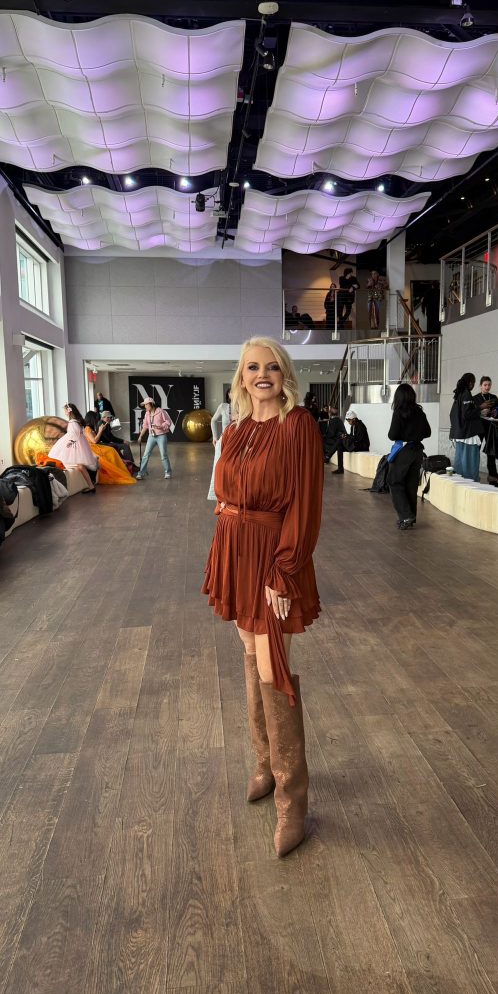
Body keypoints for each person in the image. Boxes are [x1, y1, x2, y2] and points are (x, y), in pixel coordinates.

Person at [202, 337, 323, 857]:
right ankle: (265, 765)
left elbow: (305, 503)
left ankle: (292, 801)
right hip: (234, 549)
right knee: (251, 656)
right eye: (252, 367)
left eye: (272, 366)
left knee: (274, 668)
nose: (262, 374)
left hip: (274, 555)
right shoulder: (235, 428)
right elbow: (225, 492)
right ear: (242, 375)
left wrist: (284, 570)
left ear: (284, 372)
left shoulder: (298, 426)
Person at [388, 383, 431, 530]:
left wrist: (404, 435)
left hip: (404, 451)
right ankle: (410, 517)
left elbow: (392, 434)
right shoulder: (420, 412)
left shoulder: (399, 412)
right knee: (411, 485)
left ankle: (406, 516)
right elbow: (428, 432)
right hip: (417, 451)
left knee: (394, 481)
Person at [48, 403, 98, 492]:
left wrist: (70, 443)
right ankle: (91, 486)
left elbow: (75, 434)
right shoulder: (77, 421)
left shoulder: (72, 422)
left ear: (69, 411)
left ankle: (91, 486)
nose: (64, 413)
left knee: (79, 465)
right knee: (79, 465)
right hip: (80, 444)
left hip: (75, 444)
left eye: (65, 411)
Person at [82, 412, 137, 485]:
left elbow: (102, 439)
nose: (97, 420)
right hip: (94, 448)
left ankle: (126, 465)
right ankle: (124, 466)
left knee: (112, 449)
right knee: (112, 449)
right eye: (108, 417)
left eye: (110, 417)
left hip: (97, 445)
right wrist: (100, 431)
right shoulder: (88, 428)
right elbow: (94, 441)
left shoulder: (94, 427)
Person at [449, 373, 483, 480]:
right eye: (474, 383)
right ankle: (471, 484)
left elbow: (453, 414)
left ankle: (460, 484)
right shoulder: (466, 394)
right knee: (470, 464)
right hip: (468, 434)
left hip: (460, 434)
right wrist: (480, 408)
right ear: (471, 383)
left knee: (460, 464)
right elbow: (467, 414)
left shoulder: (458, 395)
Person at [473, 376, 498, 486]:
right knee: (476, 450)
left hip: (491, 427)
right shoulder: (475, 398)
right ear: (480, 386)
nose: (487, 387)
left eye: (489, 385)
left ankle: (493, 475)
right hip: (479, 427)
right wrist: (480, 412)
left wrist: (495, 412)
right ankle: (473, 473)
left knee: (491, 451)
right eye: (485, 385)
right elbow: (471, 413)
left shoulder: (494, 397)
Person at [136, 397, 173, 480]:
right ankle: (141, 473)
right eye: (144, 405)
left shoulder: (161, 411)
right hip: (151, 436)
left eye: (146, 404)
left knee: (163, 455)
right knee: (145, 455)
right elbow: (145, 426)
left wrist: (160, 426)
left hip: (161, 435)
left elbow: (168, 422)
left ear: (151, 404)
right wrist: (140, 436)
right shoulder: (147, 414)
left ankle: (168, 472)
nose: (145, 406)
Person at [207, 390, 233, 501]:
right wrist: (214, 437)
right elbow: (213, 420)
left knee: (234, 467)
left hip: (238, 440)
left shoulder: (245, 405)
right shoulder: (223, 406)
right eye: (231, 392)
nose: (234, 393)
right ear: (228, 395)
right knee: (220, 466)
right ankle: (219, 493)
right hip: (224, 441)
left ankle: (233, 492)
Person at [324, 406, 347, 472]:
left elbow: (331, 434)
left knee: (323, 442)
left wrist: (325, 436)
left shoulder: (334, 421)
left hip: (338, 440)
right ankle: (340, 468)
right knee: (339, 446)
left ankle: (327, 456)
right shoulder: (339, 420)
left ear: (330, 413)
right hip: (341, 440)